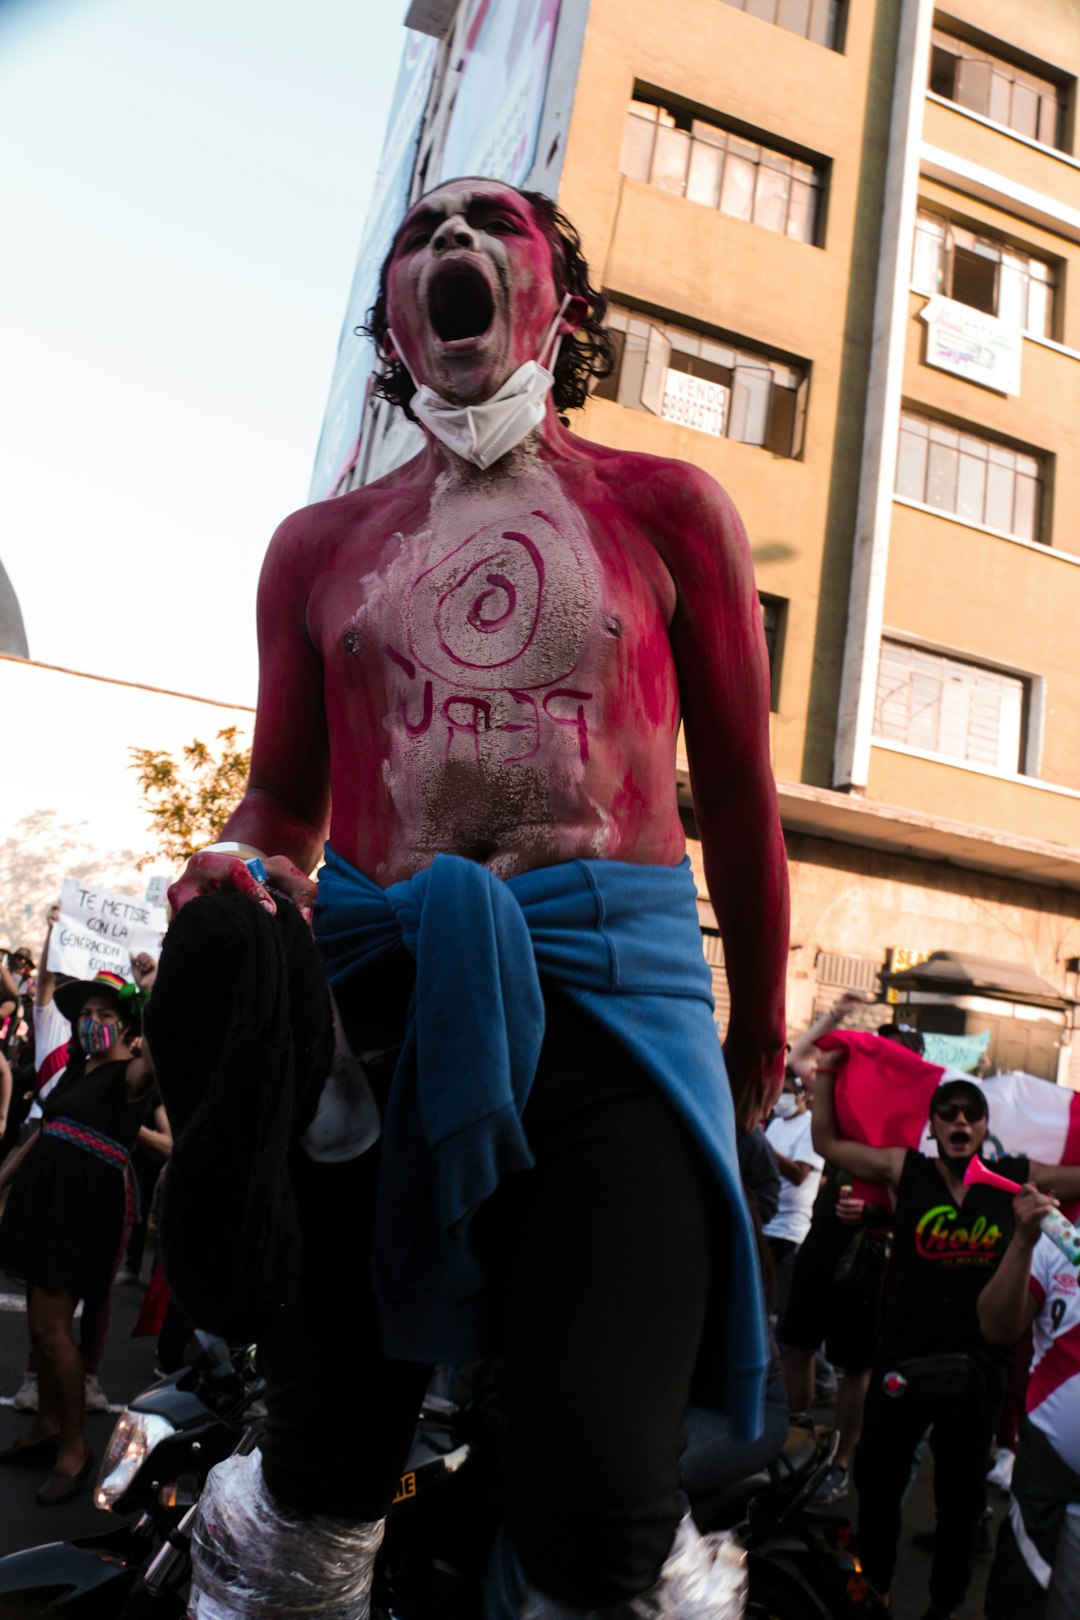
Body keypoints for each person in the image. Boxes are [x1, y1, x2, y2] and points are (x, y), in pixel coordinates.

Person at [163, 177, 789, 1618]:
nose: (448, 245)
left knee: (593, 1488)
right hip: (379, 998)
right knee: (325, 1451)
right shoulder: (317, 549)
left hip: (617, 1016)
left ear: (553, 294)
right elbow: (285, 800)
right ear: (392, 313)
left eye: (487, 226)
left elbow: (743, 794)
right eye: (416, 235)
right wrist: (240, 864)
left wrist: (755, 1029)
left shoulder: (670, 506)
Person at [812, 1066, 1080, 1620]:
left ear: (985, 1126)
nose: (960, 1120)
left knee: (960, 1504)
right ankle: (876, 1590)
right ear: (932, 1125)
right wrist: (823, 1081)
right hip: (902, 1360)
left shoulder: (1014, 1176)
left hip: (978, 1368)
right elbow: (828, 1144)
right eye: (948, 1112)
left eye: (972, 1112)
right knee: (878, 1490)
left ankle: (944, 1606)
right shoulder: (902, 1168)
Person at [0, 963, 156, 1503]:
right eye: (85, 1015)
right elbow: (43, 1134)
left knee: (49, 1329)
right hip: (43, 1203)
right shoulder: (75, 1071)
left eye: (104, 1015)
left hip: (82, 1209)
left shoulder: (132, 1073)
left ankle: (74, 1447)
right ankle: (46, 1424)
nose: (90, 1022)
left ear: (127, 1026)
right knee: (48, 1326)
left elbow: (163, 1038)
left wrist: (153, 986)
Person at [979, 1183, 1080, 1619]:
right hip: (1046, 1470)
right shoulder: (1062, 1236)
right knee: (1015, 1602)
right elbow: (998, 1326)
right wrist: (1023, 1242)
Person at [761, 1068, 822, 1321]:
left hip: (789, 1233)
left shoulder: (810, 1126)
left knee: (785, 1312)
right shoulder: (775, 1124)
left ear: (804, 1094)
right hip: (766, 1227)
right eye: (779, 1092)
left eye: (787, 1093)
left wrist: (764, 1149)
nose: (781, 1098)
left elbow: (799, 1174)